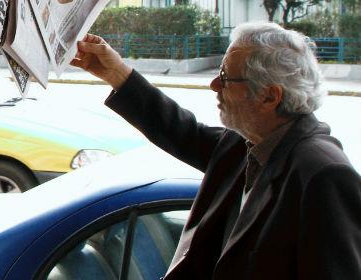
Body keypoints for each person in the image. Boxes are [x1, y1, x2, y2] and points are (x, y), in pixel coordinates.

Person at [71, 23, 361, 278]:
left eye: (225, 77)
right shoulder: (246, 142)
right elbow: (180, 131)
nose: (213, 85)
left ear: (269, 96)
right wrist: (116, 72)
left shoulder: (324, 175)